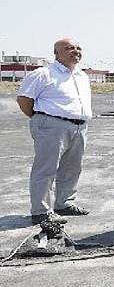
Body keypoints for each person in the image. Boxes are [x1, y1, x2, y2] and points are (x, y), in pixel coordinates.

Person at [17, 38, 92, 224]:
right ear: (56, 53)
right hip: (52, 125)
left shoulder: (82, 76)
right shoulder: (43, 74)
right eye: (68, 48)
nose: (75, 51)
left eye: (78, 48)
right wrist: (40, 119)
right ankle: (41, 211)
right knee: (46, 168)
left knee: (72, 168)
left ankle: (64, 203)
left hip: (79, 126)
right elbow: (24, 100)